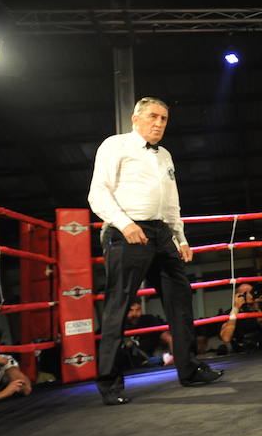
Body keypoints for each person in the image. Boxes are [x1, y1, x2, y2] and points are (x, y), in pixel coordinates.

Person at [88, 96, 223, 406]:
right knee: (118, 305)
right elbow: (98, 193)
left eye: (164, 118)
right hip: (126, 233)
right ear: (135, 119)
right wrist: (124, 224)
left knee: (180, 298)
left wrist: (181, 238)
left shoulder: (165, 156)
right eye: (153, 116)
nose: (159, 123)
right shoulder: (115, 145)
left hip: (162, 233)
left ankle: (188, 369)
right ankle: (109, 382)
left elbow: (171, 200)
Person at [219, 282, 262, 351]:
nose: (250, 295)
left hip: (261, 352)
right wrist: (235, 309)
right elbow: (226, 338)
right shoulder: (228, 314)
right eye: (246, 293)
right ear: (237, 296)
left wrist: (256, 308)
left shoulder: (258, 309)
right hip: (239, 354)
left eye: (251, 292)